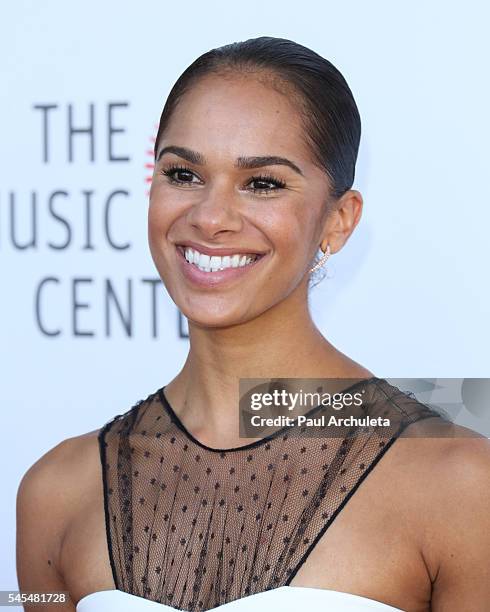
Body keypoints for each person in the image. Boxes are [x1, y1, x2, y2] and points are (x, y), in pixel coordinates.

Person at [16, 36, 490, 612]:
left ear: (338, 222)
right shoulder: (57, 492)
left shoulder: (461, 485)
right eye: (183, 174)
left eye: (262, 183)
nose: (210, 217)